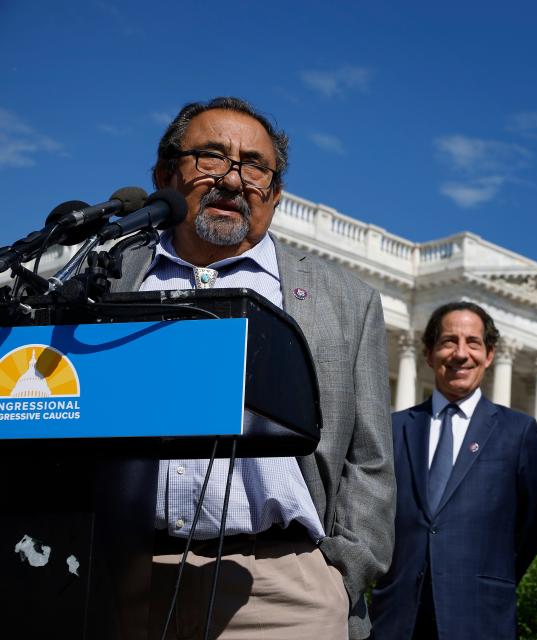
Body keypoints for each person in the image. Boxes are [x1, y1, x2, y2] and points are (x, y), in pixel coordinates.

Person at [113, 97, 394, 639]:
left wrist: (343, 571)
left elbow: (371, 456)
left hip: (281, 587)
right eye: (211, 158)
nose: (234, 180)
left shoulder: (344, 299)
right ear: (165, 176)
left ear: (276, 193)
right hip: (121, 573)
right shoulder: (111, 276)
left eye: (255, 166)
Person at [370, 301, 537, 640]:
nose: (460, 353)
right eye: (448, 341)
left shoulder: (519, 433)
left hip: (480, 616)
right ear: (429, 353)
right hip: (398, 617)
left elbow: (530, 527)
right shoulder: (393, 429)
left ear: (489, 354)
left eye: (473, 342)